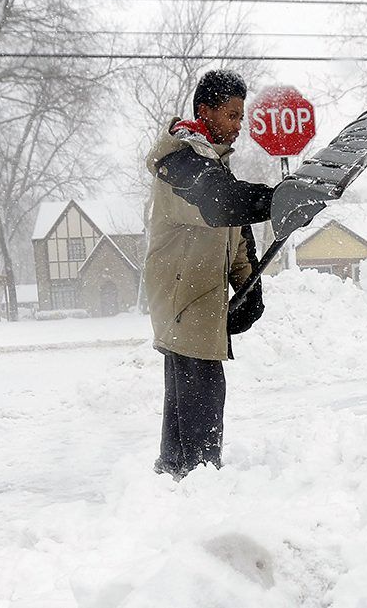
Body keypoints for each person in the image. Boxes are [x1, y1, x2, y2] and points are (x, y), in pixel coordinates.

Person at [143, 69, 273, 480]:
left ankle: (176, 476)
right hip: (182, 297)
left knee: (188, 399)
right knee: (201, 395)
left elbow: (234, 237)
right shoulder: (179, 162)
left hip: (198, 297)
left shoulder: (213, 165)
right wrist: (277, 200)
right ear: (206, 111)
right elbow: (218, 204)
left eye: (241, 116)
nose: (239, 125)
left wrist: (247, 284)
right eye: (233, 115)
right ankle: (199, 481)